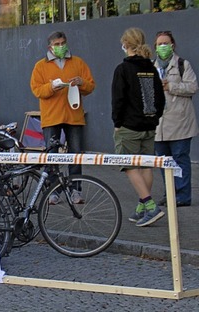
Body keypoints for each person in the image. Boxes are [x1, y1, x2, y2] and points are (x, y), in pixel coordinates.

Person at [30, 31, 96, 205]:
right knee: (52, 156)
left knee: (75, 155)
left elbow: (90, 86)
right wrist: (52, 87)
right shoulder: (40, 66)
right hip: (51, 117)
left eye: (63, 43)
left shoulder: (78, 62)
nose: (61, 46)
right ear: (50, 47)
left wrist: (82, 83)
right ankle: (53, 191)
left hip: (73, 116)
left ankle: (76, 190)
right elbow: (37, 90)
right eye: (57, 44)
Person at [111, 27, 165, 227]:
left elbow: (118, 99)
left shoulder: (123, 69)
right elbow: (159, 98)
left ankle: (150, 206)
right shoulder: (151, 68)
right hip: (149, 125)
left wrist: (117, 123)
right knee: (145, 166)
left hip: (129, 125)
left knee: (129, 166)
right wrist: (155, 117)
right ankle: (142, 207)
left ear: (125, 44)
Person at [153, 30, 199, 207]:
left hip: (180, 122)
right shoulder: (151, 67)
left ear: (173, 45)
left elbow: (192, 87)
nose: (163, 46)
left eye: (166, 43)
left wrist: (170, 85)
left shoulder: (182, 64)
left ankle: (182, 195)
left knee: (180, 159)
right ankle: (169, 193)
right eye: (159, 44)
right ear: (155, 47)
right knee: (164, 162)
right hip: (159, 125)